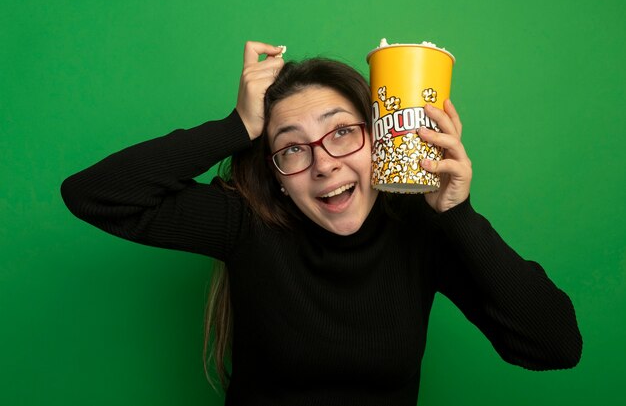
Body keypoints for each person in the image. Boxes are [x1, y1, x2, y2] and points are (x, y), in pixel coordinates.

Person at [61, 41, 582, 405]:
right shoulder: (248, 221)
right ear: (276, 175)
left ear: (377, 139)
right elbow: (94, 195)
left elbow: (555, 345)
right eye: (291, 148)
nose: (324, 163)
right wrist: (236, 126)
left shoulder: (420, 230)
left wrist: (458, 216)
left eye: (340, 134)